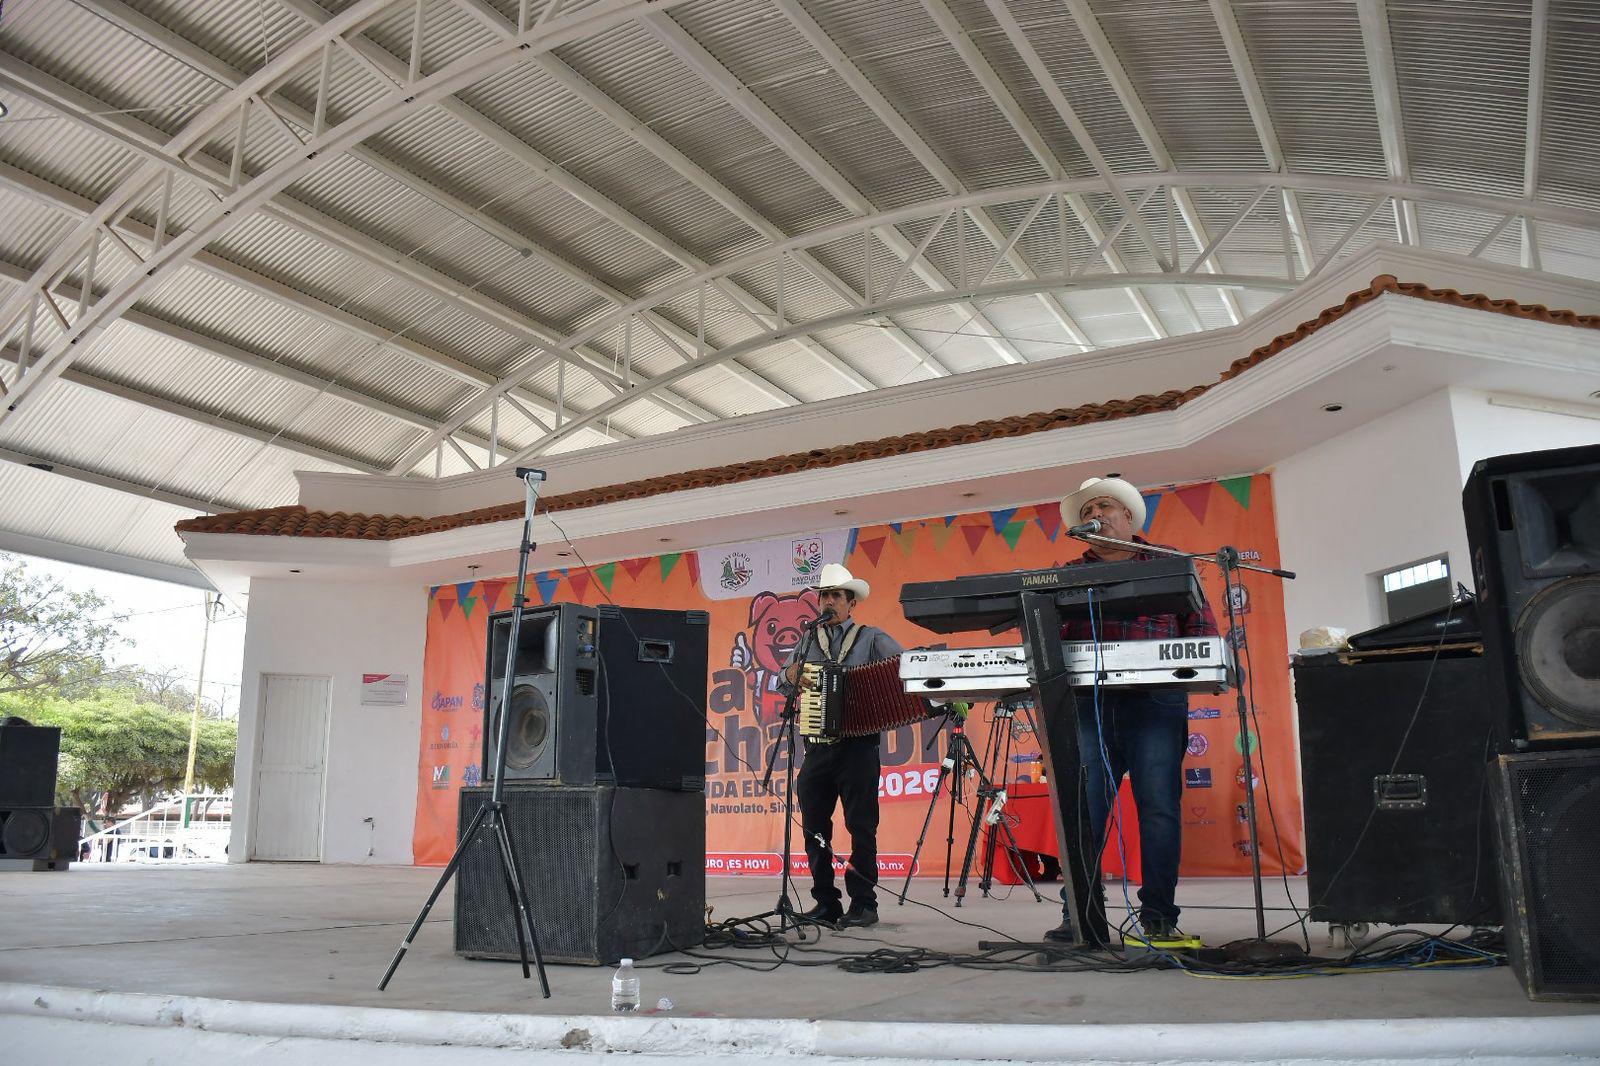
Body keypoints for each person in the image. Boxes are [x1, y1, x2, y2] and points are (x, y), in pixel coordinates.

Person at [1047, 476, 1218, 944]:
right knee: (1085, 811)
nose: (1094, 515)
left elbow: (1202, 633)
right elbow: (1045, 644)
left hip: (1155, 702)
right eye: (1086, 512)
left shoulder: (1168, 563)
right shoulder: (1065, 574)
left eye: (1103, 506)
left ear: (1128, 516)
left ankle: (1159, 916)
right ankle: (1080, 915)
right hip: (1088, 706)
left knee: (1159, 810)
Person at [779, 563, 904, 929]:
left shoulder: (871, 638)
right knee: (814, 826)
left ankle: (864, 904)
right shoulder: (807, 641)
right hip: (817, 747)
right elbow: (782, 681)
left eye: (836, 595)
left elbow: (905, 669)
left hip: (858, 747)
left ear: (852, 603)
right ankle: (826, 902)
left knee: (861, 826)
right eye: (824, 596)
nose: (828, 602)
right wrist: (790, 674)